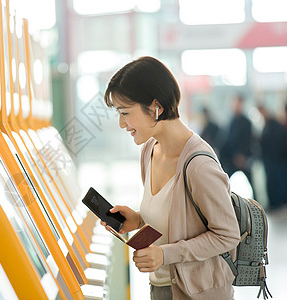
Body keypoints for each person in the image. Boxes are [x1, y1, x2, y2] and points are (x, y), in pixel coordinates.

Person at [102, 56, 240, 300]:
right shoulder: (149, 150)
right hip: (162, 288)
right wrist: (137, 220)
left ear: (156, 106)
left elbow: (227, 235)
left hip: (197, 293)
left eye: (125, 112)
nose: (122, 123)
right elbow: (175, 220)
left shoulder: (199, 166)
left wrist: (165, 255)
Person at [257, 104, 287, 211]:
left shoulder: (274, 126)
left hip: (276, 160)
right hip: (270, 160)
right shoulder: (268, 125)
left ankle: (278, 203)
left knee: (277, 183)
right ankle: (274, 203)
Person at [219, 95, 254, 185]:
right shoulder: (231, 120)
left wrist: (242, 155)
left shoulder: (246, 122)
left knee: (249, 182)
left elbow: (247, 140)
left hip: (241, 158)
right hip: (230, 158)